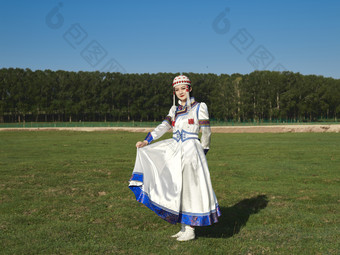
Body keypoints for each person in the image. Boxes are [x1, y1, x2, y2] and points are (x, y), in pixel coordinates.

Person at [129, 75, 221, 241]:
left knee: (190, 188)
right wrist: (147, 140)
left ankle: (191, 229)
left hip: (192, 150)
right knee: (176, 187)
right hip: (175, 149)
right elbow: (164, 126)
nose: (180, 92)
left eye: (183, 88)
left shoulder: (200, 107)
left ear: (189, 88)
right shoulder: (174, 110)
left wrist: (203, 150)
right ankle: (184, 226)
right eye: (177, 89)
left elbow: (206, 131)